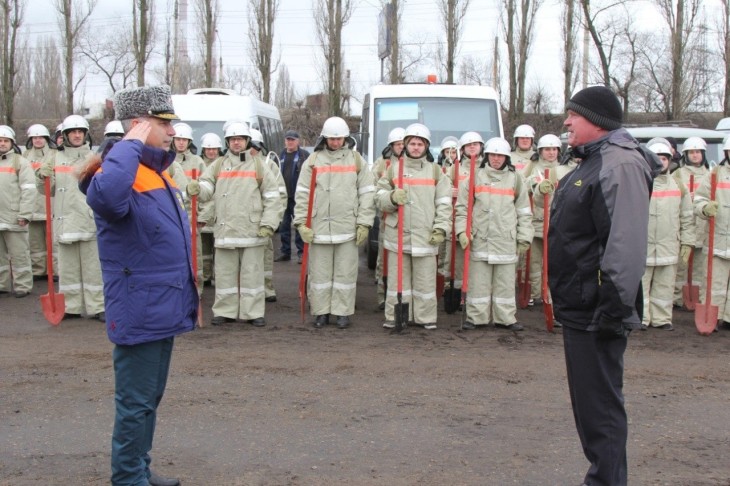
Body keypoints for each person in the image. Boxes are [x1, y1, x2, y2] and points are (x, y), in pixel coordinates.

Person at [81, 84, 197, 486]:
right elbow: (109, 199)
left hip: (163, 305)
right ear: (137, 125)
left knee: (149, 400)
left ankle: (139, 471)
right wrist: (128, 141)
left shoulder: (153, 172)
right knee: (134, 403)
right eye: (163, 123)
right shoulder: (114, 173)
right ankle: (128, 479)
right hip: (140, 307)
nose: (172, 131)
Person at [549, 85, 660, 486]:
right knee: (591, 412)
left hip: (599, 311)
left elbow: (624, 245)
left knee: (601, 413)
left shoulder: (619, 165)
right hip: (582, 307)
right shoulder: (592, 162)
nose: (566, 122)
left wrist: (612, 310)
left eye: (573, 115)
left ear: (596, 121)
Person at [187, 121, 282, 327]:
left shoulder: (259, 166)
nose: (236, 143)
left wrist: (269, 223)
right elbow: (206, 186)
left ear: (247, 141)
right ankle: (225, 311)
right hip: (226, 230)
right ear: (228, 142)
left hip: (253, 231)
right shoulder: (219, 164)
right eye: (232, 139)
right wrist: (197, 188)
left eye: (239, 139)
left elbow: (273, 197)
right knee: (225, 275)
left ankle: (253, 312)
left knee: (252, 275)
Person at [294, 116, 375, 329]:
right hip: (318, 227)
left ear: (346, 138)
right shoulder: (311, 162)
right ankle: (321, 312)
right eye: (332, 139)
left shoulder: (357, 161)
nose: (336, 143)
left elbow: (367, 194)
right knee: (319, 274)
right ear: (325, 138)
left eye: (339, 139)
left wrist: (364, 223)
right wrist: (301, 223)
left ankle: (342, 312)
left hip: (347, 227)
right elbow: (302, 194)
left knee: (345, 273)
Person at [375, 123, 451, 330]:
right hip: (397, 236)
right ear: (405, 146)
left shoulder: (436, 172)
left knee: (425, 282)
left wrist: (440, 229)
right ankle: (395, 317)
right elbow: (378, 197)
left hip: (426, 236)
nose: (416, 147)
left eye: (420, 144)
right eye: (412, 143)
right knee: (397, 282)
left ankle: (425, 318)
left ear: (426, 146)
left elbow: (444, 205)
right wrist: (391, 197)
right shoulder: (393, 170)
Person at [454, 136, 533, 331]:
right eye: (492, 155)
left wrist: (524, 237)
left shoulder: (515, 179)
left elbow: (524, 211)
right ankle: (476, 317)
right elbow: (462, 209)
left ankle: (506, 318)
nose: (496, 159)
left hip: (506, 240)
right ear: (486, 155)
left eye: (500, 155)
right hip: (479, 239)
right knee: (478, 282)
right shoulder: (473, 178)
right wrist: (462, 232)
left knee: (505, 284)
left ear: (506, 157)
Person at [37, 114, 105, 321]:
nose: (77, 135)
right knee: (67, 270)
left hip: (89, 220)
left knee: (94, 269)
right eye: (72, 132)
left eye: (80, 132)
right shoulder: (54, 158)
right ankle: (71, 306)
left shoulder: (95, 158)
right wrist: (42, 177)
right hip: (65, 222)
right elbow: (47, 191)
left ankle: (98, 306)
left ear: (85, 135)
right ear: (64, 135)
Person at [641, 141, 693, 331]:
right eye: (656, 158)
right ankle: (642, 318)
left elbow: (687, 217)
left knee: (665, 286)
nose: (660, 162)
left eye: (664, 158)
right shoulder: (640, 183)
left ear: (669, 161)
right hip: (643, 245)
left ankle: (662, 318)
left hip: (669, 245)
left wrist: (688, 242)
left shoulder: (679, 185)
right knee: (641, 284)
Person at [521, 133, 563, 307]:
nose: (551, 153)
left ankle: (551, 294)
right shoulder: (533, 167)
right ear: (540, 151)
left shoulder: (562, 168)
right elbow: (522, 185)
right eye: (547, 149)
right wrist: (533, 182)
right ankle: (536, 294)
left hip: (557, 222)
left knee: (554, 262)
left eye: (554, 149)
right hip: (536, 220)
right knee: (534, 261)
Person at [693, 137, 730, 331]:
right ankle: (711, 318)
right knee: (714, 283)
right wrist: (705, 208)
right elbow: (698, 199)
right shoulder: (714, 175)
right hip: (717, 240)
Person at [440, 131, 482, 303]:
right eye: (468, 145)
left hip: (479, 222)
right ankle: (456, 295)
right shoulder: (454, 168)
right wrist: (450, 191)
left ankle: (474, 294)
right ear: (463, 149)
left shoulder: (486, 169)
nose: (472, 147)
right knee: (456, 263)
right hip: (458, 219)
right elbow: (442, 189)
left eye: (475, 144)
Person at [250, 128, 287, 303]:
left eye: (255, 147)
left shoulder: (269, 165)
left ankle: (266, 288)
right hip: (244, 223)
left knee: (265, 257)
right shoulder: (234, 165)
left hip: (264, 222)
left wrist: (274, 220)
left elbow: (281, 194)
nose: (252, 150)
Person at [672, 137, 709, 308]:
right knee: (681, 266)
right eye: (692, 152)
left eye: (698, 152)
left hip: (703, 228)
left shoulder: (711, 175)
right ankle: (677, 299)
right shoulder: (678, 175)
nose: (695, 155)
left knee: (700, 268)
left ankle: (696, 299)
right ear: (686, 154)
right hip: (685, 227)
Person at [371, 127, 405, 310]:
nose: (401, 147)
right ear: (391, 146)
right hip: (387, 217)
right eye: (397, 144)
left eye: (402, 143)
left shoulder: (412, 163)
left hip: (408, 219)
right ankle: (382, 297)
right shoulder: (382, 164)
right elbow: (374, 188)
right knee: (383, 260)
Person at [0, 125, 35, 297]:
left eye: (6, 141)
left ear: (12, 143)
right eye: (0, 141)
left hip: (14, 217)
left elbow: (29, 190)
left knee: (19, 254)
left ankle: (23, 286)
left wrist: (25, 214)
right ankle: (2, 284)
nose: (2, 144)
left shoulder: (20, 162)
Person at [171, 122, 206, 296]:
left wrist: (203, 215)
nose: (181, 143)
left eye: (184, 139)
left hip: (192, 216)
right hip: (172, 216)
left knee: (195, 255)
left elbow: (206, 191)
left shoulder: (198, 162)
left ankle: (196, 290)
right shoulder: (166, 160)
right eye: (178, 139)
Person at [22, 124, 56, 278]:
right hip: (33, 205)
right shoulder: (25, 156)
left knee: (53, 241)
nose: (38, 140)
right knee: (35, 243)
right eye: (35, 137)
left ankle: (54, 270)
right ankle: (38, 270)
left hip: (51, 203)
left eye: (40, 137)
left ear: (46, 139)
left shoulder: (55, 154)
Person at [277, 130, 310, 263]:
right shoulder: (281, 155)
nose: (290, 142)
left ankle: (301, 253)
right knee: (284, 226)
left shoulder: (304, 155)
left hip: (298, 197)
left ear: (298, 141)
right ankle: (285, 252)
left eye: (293, 140)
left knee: (299, 225)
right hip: (284, 197)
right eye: (288, 139)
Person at [198, 133, 223, 285]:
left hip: (219, 213)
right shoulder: (200, 164)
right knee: (204, 249)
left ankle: (219, 276)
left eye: (214, 149)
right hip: (203, 213)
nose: (211, 152)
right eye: (208, 149)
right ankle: (206, 276)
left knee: (220, 249)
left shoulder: (224, 165)